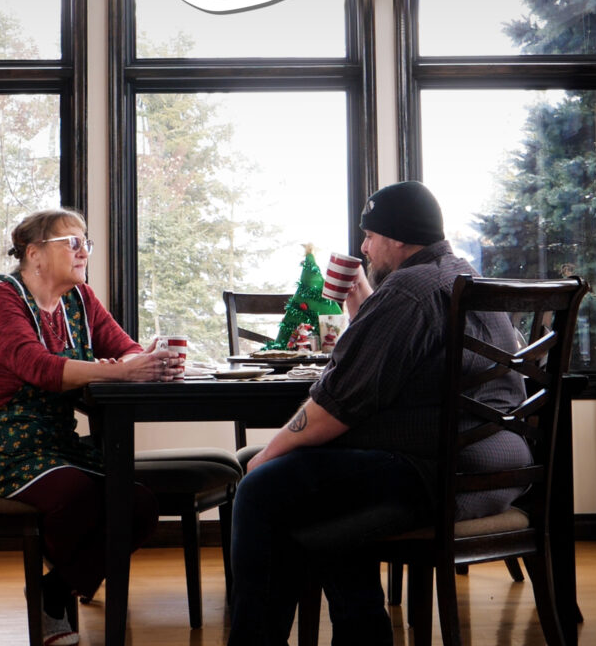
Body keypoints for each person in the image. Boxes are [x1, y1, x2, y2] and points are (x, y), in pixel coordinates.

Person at [227, 181, 533, 646]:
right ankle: (363, 633)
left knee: (261, 487)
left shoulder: (410, 289)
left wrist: (267, 456)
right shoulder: (460, 276)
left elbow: (337, 404)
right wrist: (359, 300)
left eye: (369, 235)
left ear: (398, 238)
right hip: (494, 467)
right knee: (319, 505)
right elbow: (403, 351)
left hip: (437, 476)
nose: (364, 246)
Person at [0, 208, 181, 646]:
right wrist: (120, 372)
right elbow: (41, 368)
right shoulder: (1, 301)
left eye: (86, 241)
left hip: (53, 444)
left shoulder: (80, 300)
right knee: (79, 496)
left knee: (140, 503)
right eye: (72, 243)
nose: (84, 250)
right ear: (34, 254)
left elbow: (123, 347)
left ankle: (52, 591)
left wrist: (141, 361)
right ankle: (58, 605)